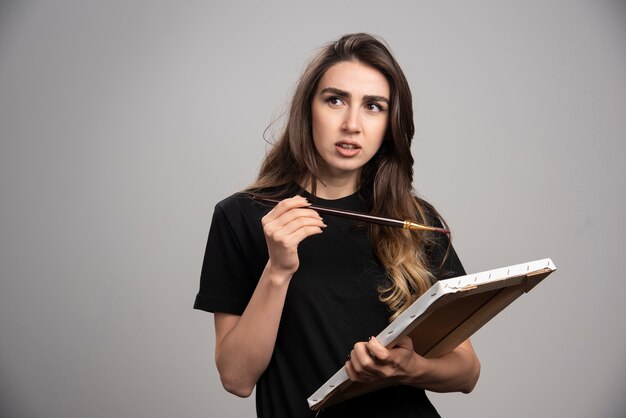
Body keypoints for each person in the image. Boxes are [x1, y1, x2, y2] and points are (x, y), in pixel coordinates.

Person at [194, 33, 480, 418]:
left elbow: (467, 373)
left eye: (374, 106)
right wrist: (277, 270)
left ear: (390, 123)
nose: (352, 124)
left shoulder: (414, 221)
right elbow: (236, 377)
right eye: (335, 100)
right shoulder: (242, 216)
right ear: (308, 109)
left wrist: (411, 368)